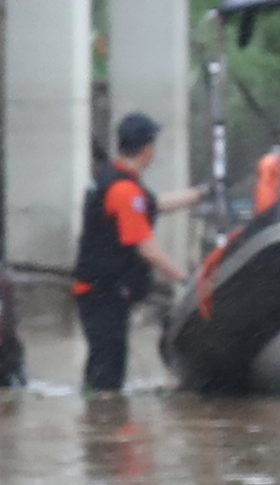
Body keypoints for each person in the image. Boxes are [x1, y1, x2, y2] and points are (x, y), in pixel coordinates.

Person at [72, 110, 199, 394]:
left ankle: (98, 420)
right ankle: (100, 422)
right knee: (107, 369)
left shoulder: (113, 180)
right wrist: (185, 278)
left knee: (105, 362)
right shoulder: (123, 190)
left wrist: (199, 194)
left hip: (100, 291)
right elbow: (147, 247)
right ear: (147, 148)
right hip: (103, 293)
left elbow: (155, 204)